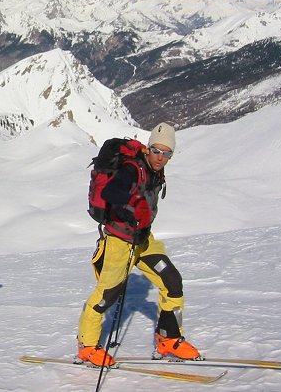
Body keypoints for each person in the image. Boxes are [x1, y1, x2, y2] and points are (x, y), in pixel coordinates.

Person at [77, 122, 200, 366]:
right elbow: (112, 193)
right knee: (106, 295)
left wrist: (139, 215)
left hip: (143, 240)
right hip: (119, 242)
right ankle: (87, 346)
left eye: (167, 153)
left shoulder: (155, 170)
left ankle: (168, 338)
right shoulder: (133, 169)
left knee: (172, 281)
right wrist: (134, 208)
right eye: (156, 150)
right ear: (148, 148)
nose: (161, 157)